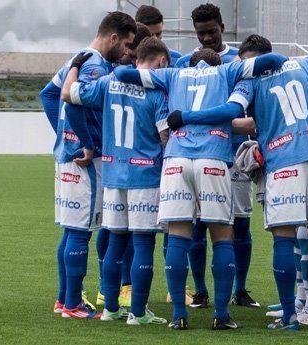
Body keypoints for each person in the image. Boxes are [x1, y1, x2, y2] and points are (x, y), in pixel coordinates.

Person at [166, 34, 308, 330]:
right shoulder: (302, 65)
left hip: (282, 161)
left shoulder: (251, 81)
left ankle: (289, 316)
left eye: (242, 60)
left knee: (284, 240)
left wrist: (186, 117)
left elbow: (232, 112)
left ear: (251, 58)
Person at [113, 48, 287, 330]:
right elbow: (273, 60)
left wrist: (180, 112)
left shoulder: (172, 74)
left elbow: (122, 73)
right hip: (212, 158)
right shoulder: (227, 71)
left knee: (180, 235)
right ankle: (221, 314)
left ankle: (179, 315)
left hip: (175, 160)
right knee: (222, 236)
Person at [61, 37, 173, 325]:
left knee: (116, 243)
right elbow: (164, 137)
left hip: (112, 174)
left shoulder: (109, 82)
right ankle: (137, 313)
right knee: (143, 244)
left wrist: (75, 64)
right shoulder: (156, 92)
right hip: (145, 176)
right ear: (161, 61)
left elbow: (70, 94)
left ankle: (110, 309)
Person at [39, 11, 136, 319]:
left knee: (71, 231)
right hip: (84, 163)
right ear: (114, 37)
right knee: (81, 232)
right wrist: (86, 142)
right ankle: (72, 305)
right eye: (127, 44)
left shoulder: (77, 59)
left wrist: (64, 136)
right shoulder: (94, 65)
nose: (127, 51)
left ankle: (62, 300)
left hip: (67, 157)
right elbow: (73, 102)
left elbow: (49, 95)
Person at [174, 2, 245, 310]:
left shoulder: (238, 61)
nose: (205, 38)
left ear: (222, 28)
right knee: (198, 227)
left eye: (211, 32)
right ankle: (201, 290)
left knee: (238, 225)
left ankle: (240, 290)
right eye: (200, 33)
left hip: (237, 155)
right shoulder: (188, 63)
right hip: (202, 156)